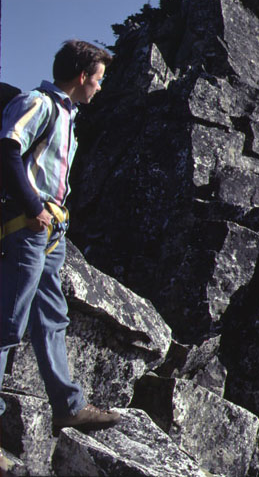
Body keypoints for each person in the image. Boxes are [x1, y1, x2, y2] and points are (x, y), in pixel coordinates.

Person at [0, 40, 120, 434]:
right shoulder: (38, 102)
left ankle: (69, 406)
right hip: (28, 226)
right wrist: (33, 206)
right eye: (98, 79)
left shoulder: (68, 115)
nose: (100, 87)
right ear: (82, 76)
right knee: (7, 323)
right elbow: (6, 150)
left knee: (51, 318)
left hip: (50, 232)